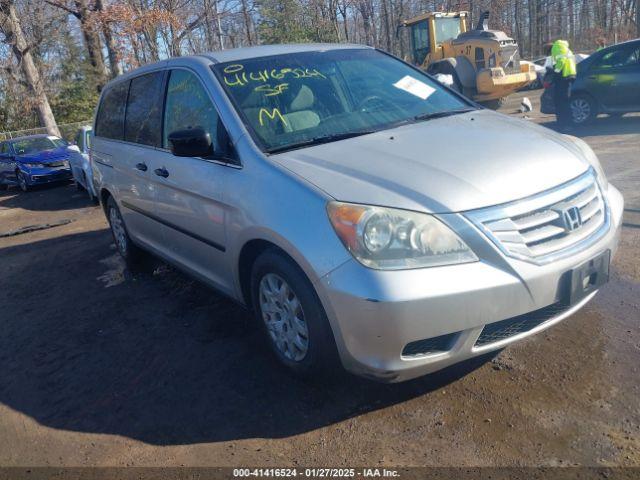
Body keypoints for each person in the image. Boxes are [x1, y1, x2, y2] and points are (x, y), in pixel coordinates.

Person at [551, 39, 577, 131]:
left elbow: (561, 61)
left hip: (563, 77)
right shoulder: (566, 48)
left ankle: (564, 124)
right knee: (566, 101)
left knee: (561, 102)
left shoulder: (556, 47)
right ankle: (567, 124)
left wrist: (556, 72)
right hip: (570, 76)